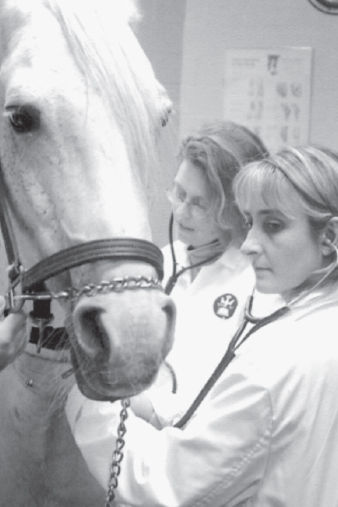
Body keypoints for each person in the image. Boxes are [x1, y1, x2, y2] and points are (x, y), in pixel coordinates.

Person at [67, 145, 338, 506]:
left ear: (330, 239)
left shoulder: (274, 364)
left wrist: (86, 395)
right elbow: (245, 427)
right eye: (249, 223)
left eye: (273, 226)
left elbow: (161, 484)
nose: (250, 246)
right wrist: (153, 407)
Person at [160, 121, 270, 404]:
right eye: (180, 194)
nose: (182, 213)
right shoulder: (161, 262)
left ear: (235, 209)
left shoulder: (258, 283)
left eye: (199, 204)